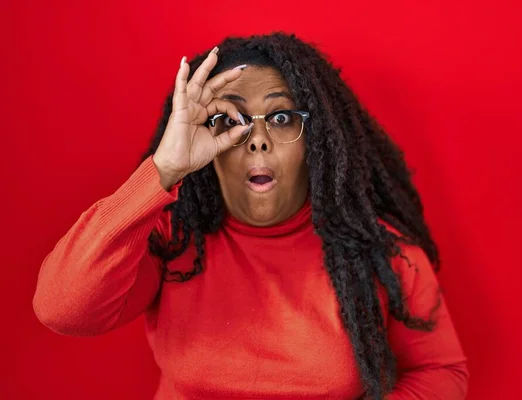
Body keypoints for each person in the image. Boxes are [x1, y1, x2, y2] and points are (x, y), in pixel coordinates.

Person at [33, 33, 468, 399]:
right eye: (230, 119)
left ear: (314, 140)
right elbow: (63, 309)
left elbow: (442, 372)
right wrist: (163, 170)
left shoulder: (381, 249)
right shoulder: (172, 239)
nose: (256, 139)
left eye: (280, 117)